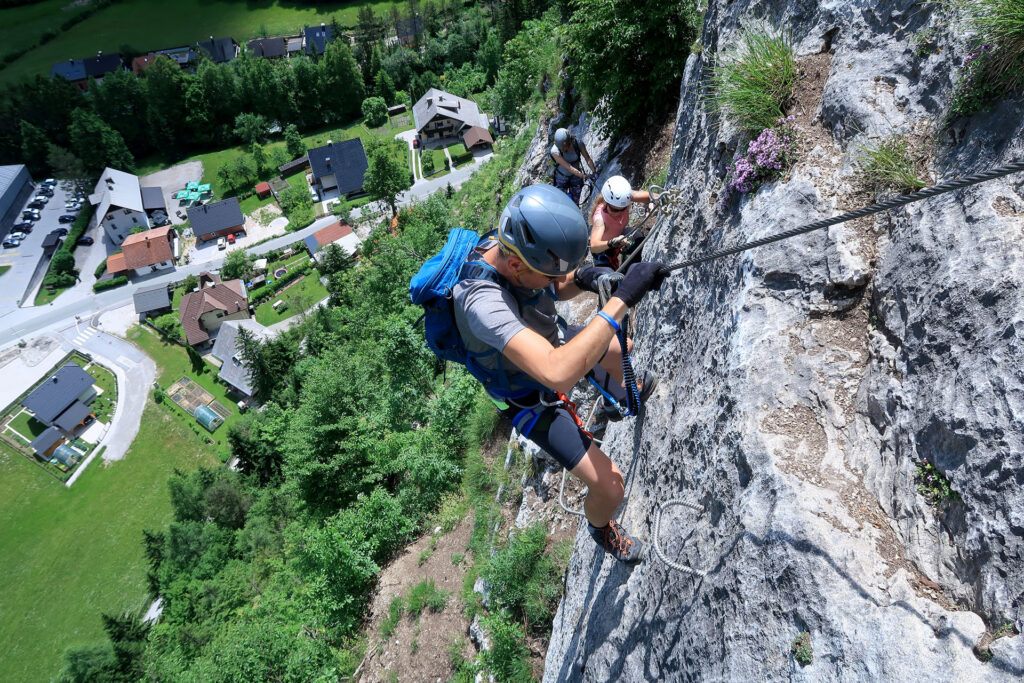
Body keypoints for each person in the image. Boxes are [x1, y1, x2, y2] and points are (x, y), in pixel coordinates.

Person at [452, 184, 667, 564]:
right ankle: (601, 530)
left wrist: (585, 277)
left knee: (622, 351)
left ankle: (622, 395)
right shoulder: (480, 301)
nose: (556, 280)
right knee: (610, 487)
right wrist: (622, 300)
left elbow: (556, 286)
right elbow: (556, 372)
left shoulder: (515, 249)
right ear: (517, 266)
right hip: (528, 397)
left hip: (548, 339)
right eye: (550, 273)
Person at [590, 175, 652, 270]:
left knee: (639, 240)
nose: (619, 213)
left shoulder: (625, 197)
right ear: (606, 203)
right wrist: (612, 243)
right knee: (611, 281)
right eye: (615, 210)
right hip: (603, 250)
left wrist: (651, 204)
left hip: (619, 238)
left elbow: (651, 196)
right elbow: (594, 246)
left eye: (623, 209)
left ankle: (632, 273)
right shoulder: (600, 218)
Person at [550, 128, 596, 205]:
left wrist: (594, 172)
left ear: (569, 142)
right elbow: (569, 167)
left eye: (563, 148)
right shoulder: (555, 151)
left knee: (575, 203)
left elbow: (588, 159)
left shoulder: (578, 143)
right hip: (561, 177)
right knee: (561, 202)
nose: (562, 150)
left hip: (576, 178)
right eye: (560, 148)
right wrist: (584, 176)